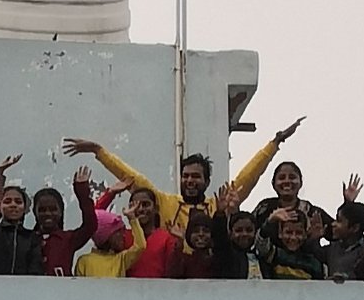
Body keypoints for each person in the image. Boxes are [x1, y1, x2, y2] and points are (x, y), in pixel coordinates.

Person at [61, 115, 303, 246]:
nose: (190, 181)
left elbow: (247, 177)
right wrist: (99, 151)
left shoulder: (217, 205)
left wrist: (274, 143)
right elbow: (134, 179)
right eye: (186, 176)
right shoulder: (165, 203)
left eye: (196, 176)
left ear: (206, 181)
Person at [0, 155, 44, 275]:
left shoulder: (32, 237)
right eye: (7, 201)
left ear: (25, 208)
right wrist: (0, 173)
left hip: (23, 290)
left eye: (18, 202)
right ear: (0, 207)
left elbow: (35, 271)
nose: (13, 205)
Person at [35, 167, 100, 276]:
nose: (47, 213)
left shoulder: (68, 239)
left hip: (62, 291)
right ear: (34, 213)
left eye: (53, 209)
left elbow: (90, 225)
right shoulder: (27, 238)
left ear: (60, 212)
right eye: (42, 210)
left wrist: (82, 191)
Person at [255, 206, 327, 280]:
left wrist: (313, 241)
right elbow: (261, 243)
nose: (293, 237)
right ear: (280, 233)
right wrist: (270, 221)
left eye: (298, 233)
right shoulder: (274, 255)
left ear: (305, 234)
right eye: (288, 232)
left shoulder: (314, 263)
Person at [73, 209, 145, 277]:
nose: (123, 235)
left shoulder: (121, 259)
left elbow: (140, 246)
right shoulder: (84, 261)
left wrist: (132, 219)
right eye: (119, 231)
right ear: (107, 236)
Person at [322, 197, 364, 282]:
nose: (333, 224)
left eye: (339, 221)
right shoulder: (332, 248)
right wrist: (314, 238)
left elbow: (363, 274)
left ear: (355, 228)